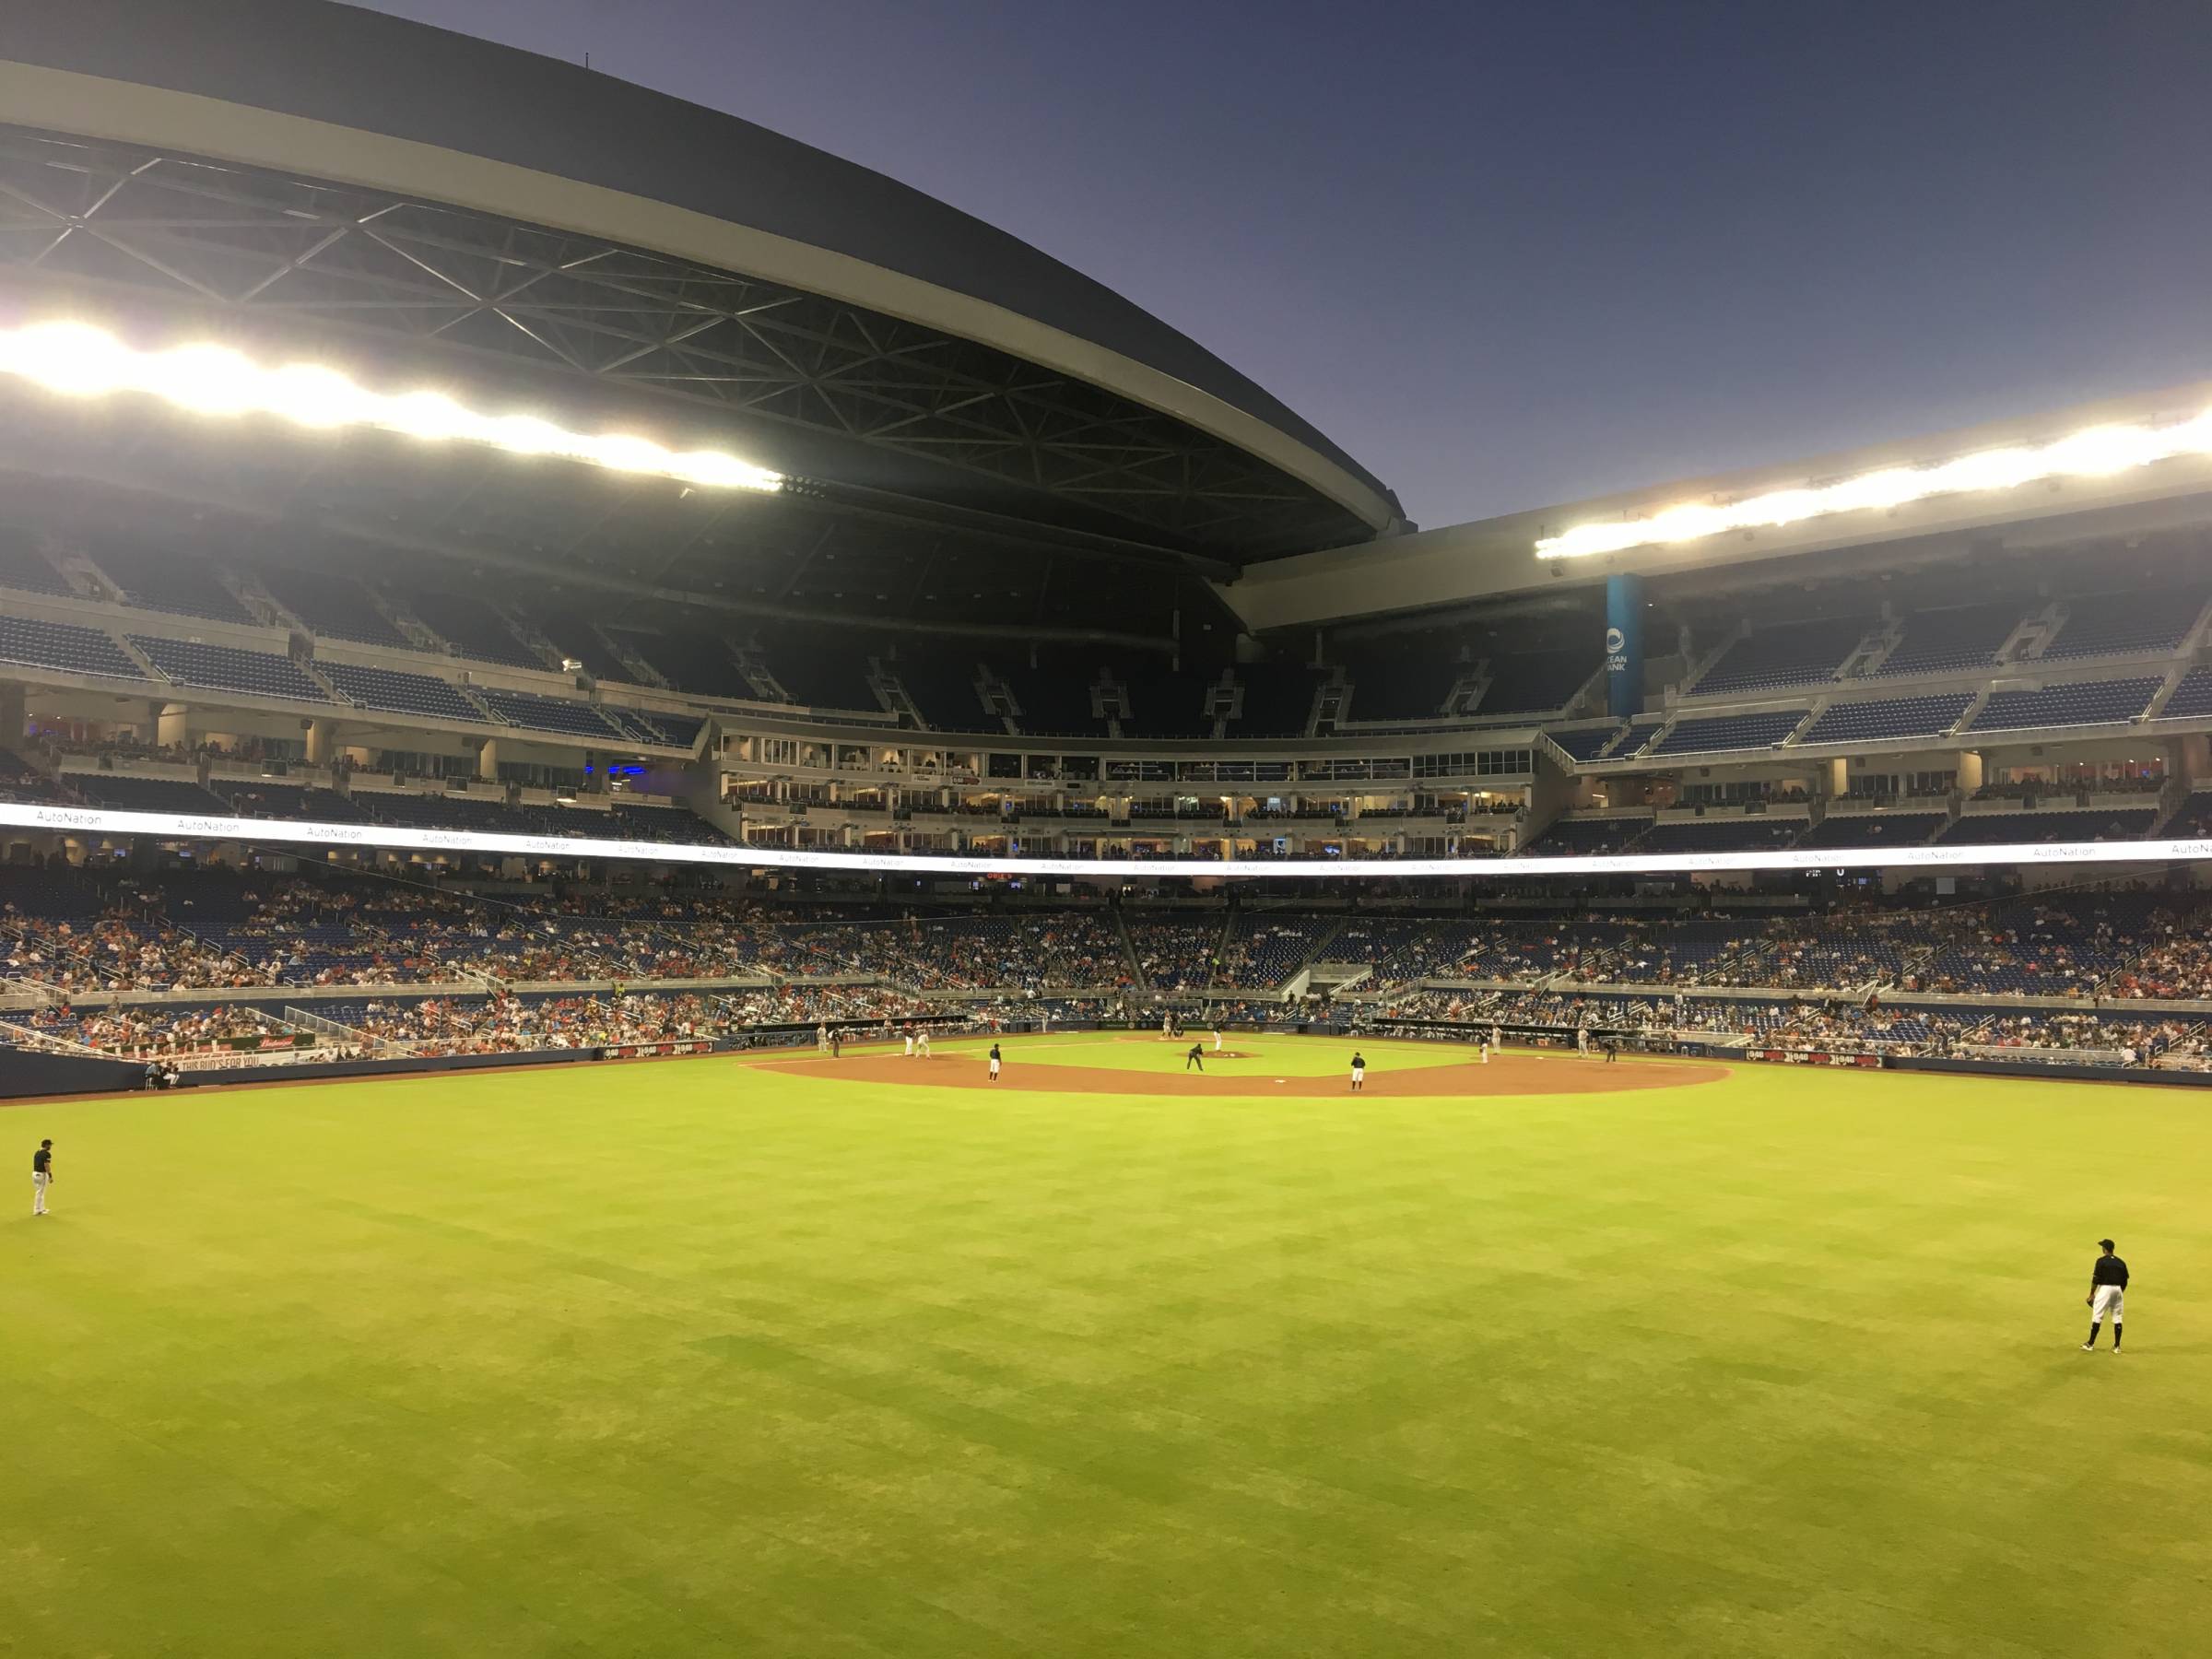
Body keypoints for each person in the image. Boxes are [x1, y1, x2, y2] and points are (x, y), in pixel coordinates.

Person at [2084, 1238, 2130, 1352]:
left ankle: (2090, 1344)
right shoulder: (2121, 1262)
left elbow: (2095, 1279)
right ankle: (2117, 1347)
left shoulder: (2101, 1261)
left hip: (2105, 1289)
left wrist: (2092, 1294)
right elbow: (2125, 1280)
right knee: (2117, 1317)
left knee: (2097, 1315)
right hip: (2118, 1289)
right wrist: (2120, 1292)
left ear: (2104, 1249)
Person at [31, 1138, 53, 1216]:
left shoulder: (37, 1152)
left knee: (40, 1192)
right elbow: (46, 1165)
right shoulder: (47, 1154)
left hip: (34, 1174)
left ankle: (42, 1208)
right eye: (50, 1145)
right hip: (41, 1175)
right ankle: (36, 1210)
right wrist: (50, 1176)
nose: (50, 1146)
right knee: (39, 1192)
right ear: (47, 1145)